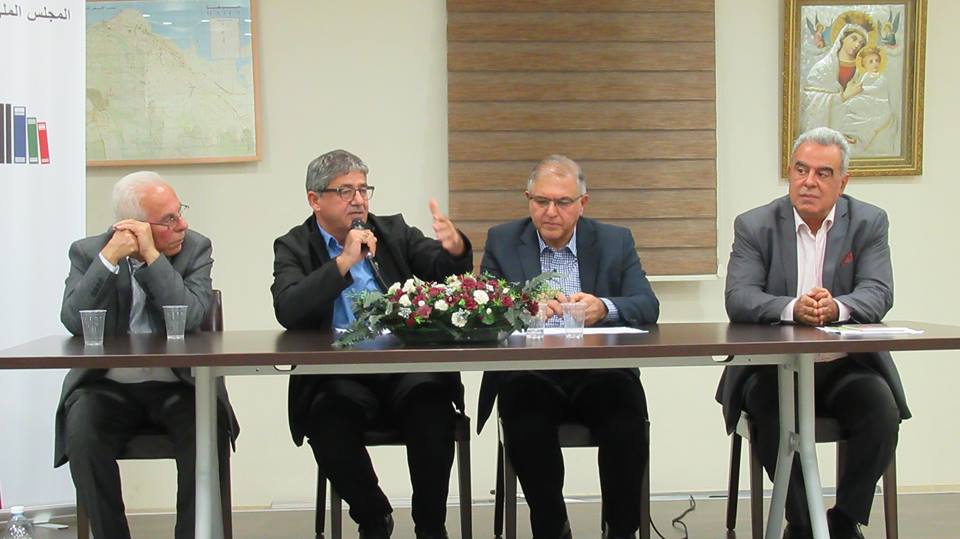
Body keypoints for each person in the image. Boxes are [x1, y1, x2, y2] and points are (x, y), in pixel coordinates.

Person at [715, 127, 910, 539]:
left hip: (844, 366)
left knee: (881, 411)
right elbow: (739, 297)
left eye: (823, 174)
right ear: (790, 172)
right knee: (772, 417)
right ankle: (803, 523)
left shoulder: (869, 222)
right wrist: (792, 308)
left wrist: (836, 308)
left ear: (843, 182)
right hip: (774, 369)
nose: (808, 182)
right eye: (801, 170)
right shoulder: (755, 225)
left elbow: (878, 291)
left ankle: (842, 522)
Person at [271, 149, 472, 539]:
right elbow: (289, 308)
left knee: (432, 406)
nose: (359, 200)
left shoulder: (392, 230)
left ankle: (431, 526)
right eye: (345, 191)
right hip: (338, 374)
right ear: (315, 199)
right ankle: (374, 517)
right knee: (327, 421)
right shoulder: (295, 245)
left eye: (363, 189)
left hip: (404, 369)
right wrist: (343, 262)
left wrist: (454, 248)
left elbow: (440, 270)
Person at [477, 155, 659, 539]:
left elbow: (647, 305)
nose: (550, 212)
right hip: (531, 372)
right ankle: (553, 527)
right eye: (541, 201)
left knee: (626, 422)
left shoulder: (614, 240)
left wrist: (603, 308)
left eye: (562, 202)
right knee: (525, 420)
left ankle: (621, 529)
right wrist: (525, 308)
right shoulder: (503, 240)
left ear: (582, 203)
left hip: (601, 371)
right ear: (528, 200)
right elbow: (485, 310)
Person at [56, 171, 239, 539]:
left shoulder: (195, 249)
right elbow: (74, 320)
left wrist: (152, 257)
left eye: (180, 212)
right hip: (106, 386)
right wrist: (109, 258)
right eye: (169, 219)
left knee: (207, 428)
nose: (182, 225)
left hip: (179, 385)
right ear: (133, 225)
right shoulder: (88, 253)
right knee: (82, 432)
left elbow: (191, 316)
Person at [800, 22, 871, 135]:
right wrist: (843, 97)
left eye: (861, 43)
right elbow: (810, 100)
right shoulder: (823, 68)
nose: (857, 45)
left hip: (853, 126)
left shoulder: (862, 70)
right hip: (828, 127)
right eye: (854, 39)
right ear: (842, 38)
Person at [841, 46, 898, 156]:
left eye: (877, 61)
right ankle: (850, 134)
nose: (875, 64)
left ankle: (861, 138)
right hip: (866, 99)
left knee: (857, 104)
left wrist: (862, 89)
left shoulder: (881, 78)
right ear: (864, 65)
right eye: (871, 61)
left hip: (879, 102)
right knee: (849, 105)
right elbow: (858, 86)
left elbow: (877, 89)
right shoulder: (865, 76)